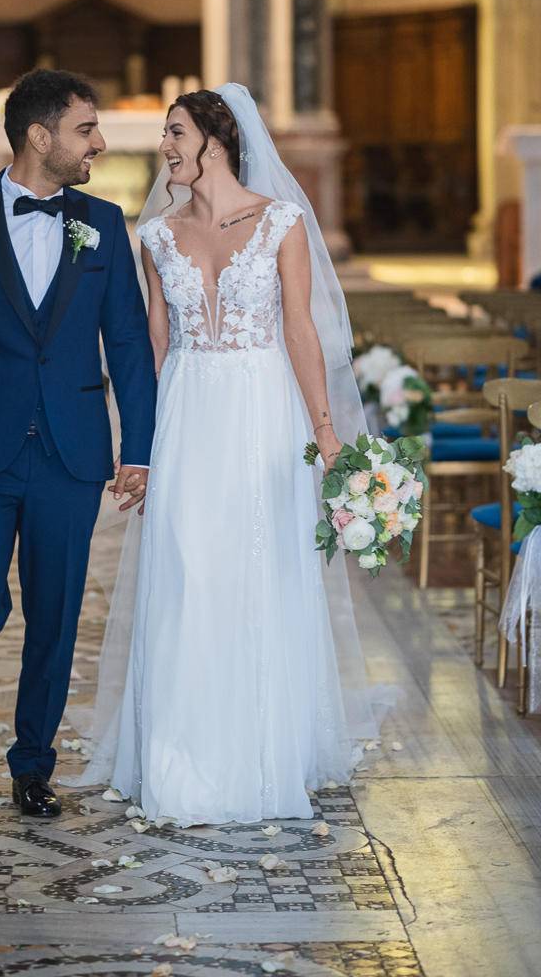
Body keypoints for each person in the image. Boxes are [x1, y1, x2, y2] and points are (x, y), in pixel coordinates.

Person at [63, 84, 383, 826]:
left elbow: (301, 331)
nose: (163, 147)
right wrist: (137, 446)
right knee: (185, 571)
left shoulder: (281, 223)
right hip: (185, 416)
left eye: (175, 133)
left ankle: (259, 752)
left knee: (257, 572)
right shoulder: (157, 236)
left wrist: (326, 433)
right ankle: (180, 754)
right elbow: (153, 344)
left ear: (217, 140)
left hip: (261, 414)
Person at [0, 69, 157, 827]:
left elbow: (129, 344)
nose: (100, 142)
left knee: (57, 614)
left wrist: (138, 446)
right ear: (39, 136)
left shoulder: (104, 223)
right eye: (86, 129)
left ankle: (34, 767)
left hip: (72, 456)